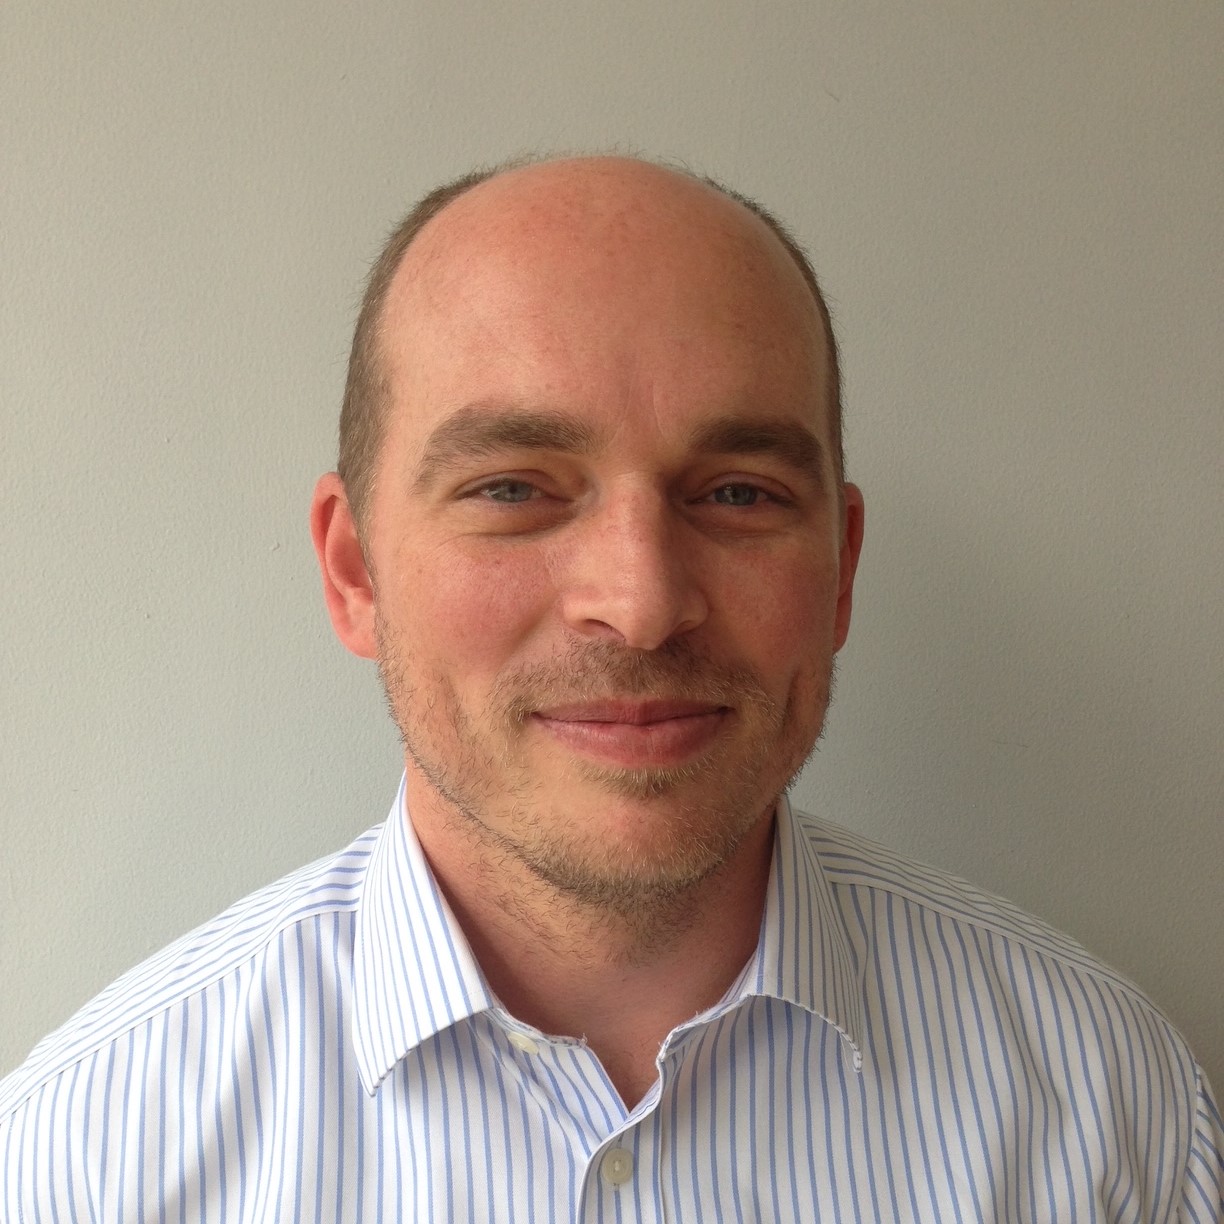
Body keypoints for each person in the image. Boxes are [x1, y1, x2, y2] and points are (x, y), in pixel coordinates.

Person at [2, 154, 1220, 1222]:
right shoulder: (83, 1166)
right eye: (514, 489)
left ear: (842, 571)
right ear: (354, 571)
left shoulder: (1107, 1110)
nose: (640, 604)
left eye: (737, 493)